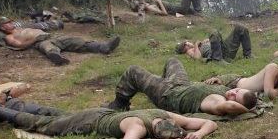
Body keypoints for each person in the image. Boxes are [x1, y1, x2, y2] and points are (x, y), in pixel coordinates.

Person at [0, 97, 216, 139]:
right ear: (153, 131)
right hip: (91, 121)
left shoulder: (166, 115)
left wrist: (199, 134)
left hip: (102, 112)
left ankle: (16, 103)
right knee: (44, 124)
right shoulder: (138, 126)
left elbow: (209, 122)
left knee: (59, 115)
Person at [106, 58, 257, 116]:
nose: (232, 92)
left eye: (234, 97)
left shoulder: (218, 103)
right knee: (173, 61)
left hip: (168, 95)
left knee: (133, 71)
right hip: (181, 84)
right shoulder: (227, 92)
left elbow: (230, 106)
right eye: (236, 91)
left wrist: (247, 110)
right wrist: (218, 80)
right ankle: (156, 82)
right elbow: (234, 82)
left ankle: (120, 104)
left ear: (236, 104)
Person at [0, 16, 120, 66]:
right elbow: (19, 45)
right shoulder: (9, 37)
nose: (11, 23)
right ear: (2, 27)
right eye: (7, 23)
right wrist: (33, 40)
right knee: (48, 47)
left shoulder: (22, 27)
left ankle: (104, 47)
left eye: (10, 21)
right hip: (38, 42)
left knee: (75, 40)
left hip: (49, 36)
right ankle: (57, 58)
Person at [205, 62, 278, 100]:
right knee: (203, 88)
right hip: (233, 82)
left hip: (237, 89)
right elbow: (269, 94)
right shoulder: (273, 68)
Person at [176, 22, 252, 61]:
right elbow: (197, 58)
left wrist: (208, 41)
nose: (188, 43)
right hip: (218, 56)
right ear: (185, 47)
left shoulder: (200, 44)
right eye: (186, 43)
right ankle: (218, 61)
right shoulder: (189, 51)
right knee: (214, 32)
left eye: (187, 42)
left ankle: (248, 55)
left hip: (225, 50)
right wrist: (196, 45)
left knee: (240, 28)